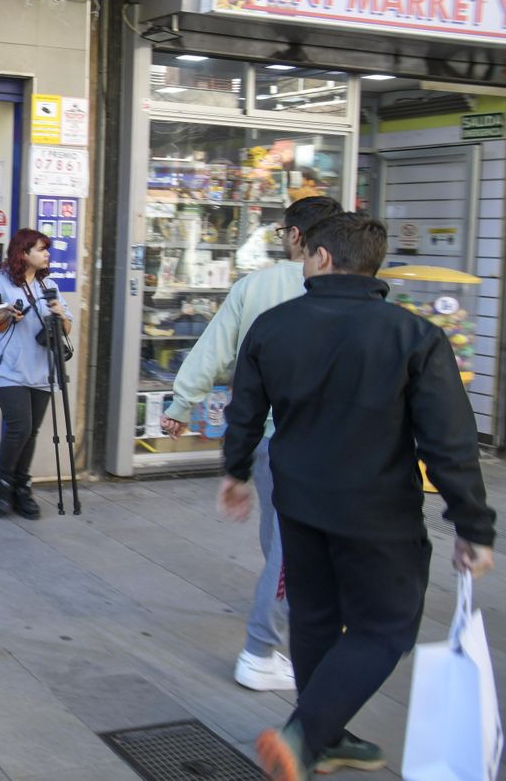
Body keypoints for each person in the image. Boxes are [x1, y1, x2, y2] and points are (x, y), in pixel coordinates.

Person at [220, 213, 495, 781]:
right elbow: (449, 441)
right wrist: (473, 524)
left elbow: (245, 409)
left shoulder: (273, 326)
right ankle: (303, 736)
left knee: (316, 617)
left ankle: (324, 736)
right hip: (377, 512)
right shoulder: (414, 335)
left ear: (320, 257)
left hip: (298, 502)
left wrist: (236, 471)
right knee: (385, 627)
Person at [160, 195, 342, 692]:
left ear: (297, 237)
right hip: (318, 440)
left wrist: (181, 405)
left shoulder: (255, 285)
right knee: (291, 548)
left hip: (264, 434)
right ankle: (262, 648)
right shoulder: (348, 290)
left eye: (285, 231)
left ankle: (278, 624)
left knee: (279, 540)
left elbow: (215, 349)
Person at [0, 228, 73, 519]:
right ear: (23, 254)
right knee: (20, 427)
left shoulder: (48, 285)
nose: (47, 254)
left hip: (41, 369)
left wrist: (58, 313)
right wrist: (3, 314)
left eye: (47, 249)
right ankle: (2, 484)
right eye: (41, 249)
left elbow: (67, 329)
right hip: (7, 369)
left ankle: (21, 488)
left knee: (31, 431)